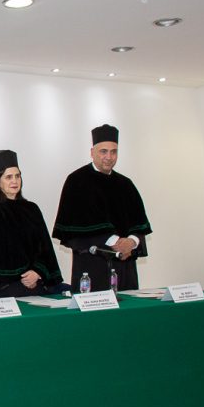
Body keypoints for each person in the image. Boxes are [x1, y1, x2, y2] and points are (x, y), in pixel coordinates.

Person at [52, 124, 152, 291]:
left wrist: (132, 242)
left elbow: (139, 225)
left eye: (114, 152)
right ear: (92, 152)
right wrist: (115, 242)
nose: (109, 157)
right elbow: (73, 230)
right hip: (92, 268)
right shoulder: (76, 181)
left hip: (125, 268)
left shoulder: (125, 184)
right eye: (103, 151)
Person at [0, 150, 62, 299]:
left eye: (17, 176)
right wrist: (20, 277)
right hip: (0, 287)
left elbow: (44, 247)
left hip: (33, 284)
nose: (14, 181)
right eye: (8, 177)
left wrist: (37, 272)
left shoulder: (32, 209)